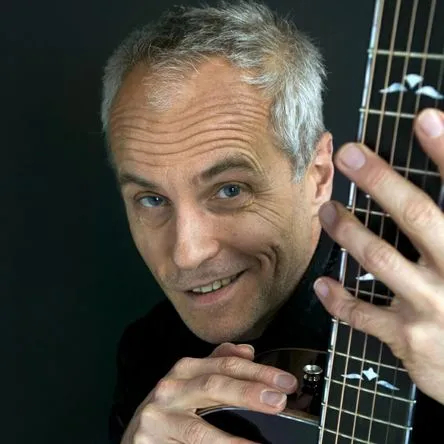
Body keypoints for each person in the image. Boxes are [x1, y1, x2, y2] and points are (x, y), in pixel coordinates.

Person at [100, 1, 444, 443]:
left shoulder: (433, 339)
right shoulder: (150, 353)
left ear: (318, 176)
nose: (187, 254)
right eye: (151, 199)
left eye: (230, 190)